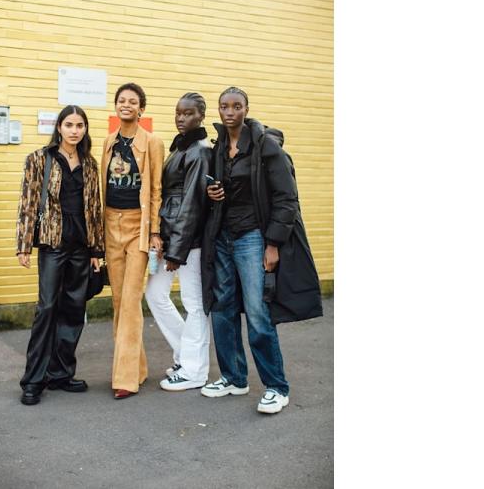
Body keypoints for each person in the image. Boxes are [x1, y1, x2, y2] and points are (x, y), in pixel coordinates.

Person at [200, 87, 323, 414]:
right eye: (224, 106)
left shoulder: (266, 147)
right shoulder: (219, 147)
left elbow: (286, 199)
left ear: (246, 109)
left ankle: (276, 387)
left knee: (257, 312)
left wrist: (273, 244)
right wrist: (213, 193)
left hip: (253, 237)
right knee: (222, 308)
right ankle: (233, 378)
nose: (229, 112)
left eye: (236, 106)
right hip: (223, 237)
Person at [15, 105, 104, 406]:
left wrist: (96, 250)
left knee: (73, 310)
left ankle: (61, 373)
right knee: (47, 309)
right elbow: (27, 202)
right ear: (60, 128)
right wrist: (24, 244)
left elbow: (94, 208)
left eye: (80, 125)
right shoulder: (40, 159)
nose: (75, 130)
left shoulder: (90, 163)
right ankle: (33, 380)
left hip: (81, 246)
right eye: (69, 124)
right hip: (53, 245)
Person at [144, 92, 213, 391]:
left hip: (188, 242)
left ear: (201, 116)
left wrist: (177, 250)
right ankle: (186, 354)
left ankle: (195, 372)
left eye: (188, 113)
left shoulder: (199, 151)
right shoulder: (181, 148)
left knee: (194, 305)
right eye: (178, 113)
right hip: (171, 237)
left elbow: (192, 204)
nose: (181, 118)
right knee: (155, 294)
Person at [101, 82, 164, 399]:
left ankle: (124, 378)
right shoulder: (109, 141)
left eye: (132, 101)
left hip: (138, 226)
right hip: (111, 223)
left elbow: (156, 191)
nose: (126, 105)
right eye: (121, 100)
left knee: (130, 303)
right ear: (116, 106)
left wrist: (154, 232)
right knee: (118, 302)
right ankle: (137, 368)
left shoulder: (152, 142)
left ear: (141, 108)